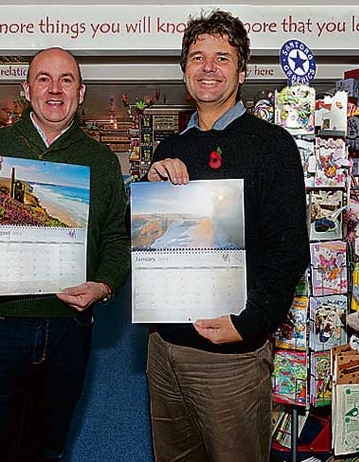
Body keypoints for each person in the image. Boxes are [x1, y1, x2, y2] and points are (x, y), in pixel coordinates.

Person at [0, 47, 130, 462]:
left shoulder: (101, 161)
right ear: (26, 89)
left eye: (66, 80)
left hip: (69, 329)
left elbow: (116, 240)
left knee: (49, 448)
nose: (55, 89)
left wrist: (104, 285)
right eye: (43, 79)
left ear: (80, 93)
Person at [144, 10, 310, 462]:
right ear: (184, 70)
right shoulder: (169, 147)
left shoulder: (272, 145)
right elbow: (141, 238)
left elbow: (290, 249)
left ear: (242, 72)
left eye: (222, 57)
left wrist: (249, 323)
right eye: (198, 57)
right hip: (163, 349)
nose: (208, 67)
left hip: (230, 357)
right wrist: (148, 189)